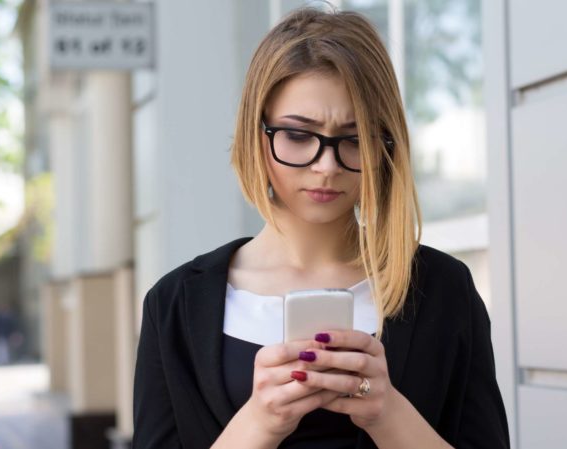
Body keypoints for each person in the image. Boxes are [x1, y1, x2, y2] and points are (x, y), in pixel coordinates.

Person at [132, 6, 509, 449]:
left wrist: (386, 411)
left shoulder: (445, 290)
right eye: (297, 135)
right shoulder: (175, 305)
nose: (326, 166)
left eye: (354, 139)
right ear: (257, 133)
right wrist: (259, 422)